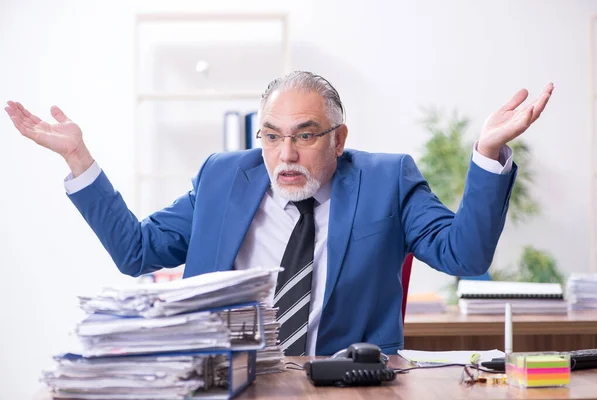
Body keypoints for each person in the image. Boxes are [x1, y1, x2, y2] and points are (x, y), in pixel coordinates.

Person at [5, 71, 553, 356]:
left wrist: (486, 155)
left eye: (305, 136)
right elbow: (138, 251)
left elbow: (465, 253)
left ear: (339, 138)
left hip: (344, 385)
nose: (285, 155)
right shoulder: (224, 175)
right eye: (271, 136)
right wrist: (78, 158)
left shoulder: (389, 179)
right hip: (227, 379)